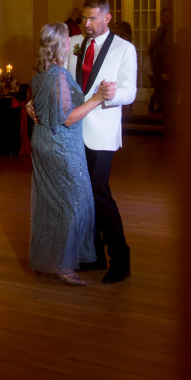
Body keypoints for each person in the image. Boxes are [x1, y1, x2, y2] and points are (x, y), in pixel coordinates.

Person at [30, 23, 113, 286]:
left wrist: (29, 108)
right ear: (62, 45)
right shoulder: (58, 76)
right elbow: (66, 119)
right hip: (60, 145)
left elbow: (35, 103)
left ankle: (48, 261)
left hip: (42, 140)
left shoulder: (41, 73)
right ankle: (64, 266)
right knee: (76, 206)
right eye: (67, 38)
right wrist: (98, 98)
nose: (71, 42)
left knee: (51, 204)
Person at [67, 0, 138, 283]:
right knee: (80, 197)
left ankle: (120, 259)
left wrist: (112, 95)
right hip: (72, 131)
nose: (87, 23)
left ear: (107, 18)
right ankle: (92, 255)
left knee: (99, 194)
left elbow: (130, 92)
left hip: (102, 134)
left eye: (93, 18)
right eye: (84, 18)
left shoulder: (124, 49)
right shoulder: (72, 44)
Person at [148, 7, 173, 114]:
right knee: (158, 83)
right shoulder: (160, 29)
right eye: (162, 16)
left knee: (163, 84)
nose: (163, 18)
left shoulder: (173, 29)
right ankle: (158, 104)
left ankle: (155, 103)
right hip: (158, 60)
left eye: (166, 16)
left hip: (168, 60)